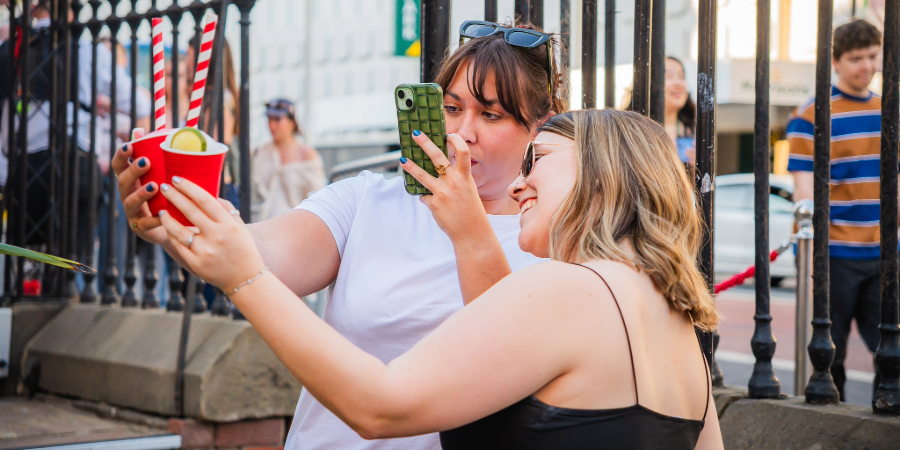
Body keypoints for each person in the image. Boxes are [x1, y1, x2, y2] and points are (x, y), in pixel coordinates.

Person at [149, 109, 723, 449]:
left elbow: (380, 406)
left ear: (604, 173)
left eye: (538, 160)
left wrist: (245, 278)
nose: (521, 184)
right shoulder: (681, 326)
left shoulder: (565, 288)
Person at [115, 20, 566, 449]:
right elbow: (262, 254)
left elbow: (507, 366)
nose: (462, 133)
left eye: (491, 115)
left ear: (539, 127)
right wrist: (178, 217)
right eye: (450, 108)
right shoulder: (368, 198)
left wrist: (469, 231)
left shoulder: (552, 243)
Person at [787, 19, 889, 401]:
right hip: (835, 256)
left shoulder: (889, 109)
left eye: (872, 56)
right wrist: (811, 252)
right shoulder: (811, 115)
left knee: (891, 352)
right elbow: (803, 190)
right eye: (855, 58)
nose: (866, 66)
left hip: (885, 253)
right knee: (830, 357)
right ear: (835, 61)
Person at [251, 99, 325, 223]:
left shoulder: (306, 154)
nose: (271, 125)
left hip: (295, 228)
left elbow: (317, 198)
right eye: (269, 119)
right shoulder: (259, 152)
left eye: (277, 119)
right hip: (262, 226)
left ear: (292, 122)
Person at [664, 56, 696, 165]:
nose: (678, 83)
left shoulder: (693, 129)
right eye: (668, 76)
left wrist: (697, 168)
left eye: (682, 76)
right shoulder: (635, 130)